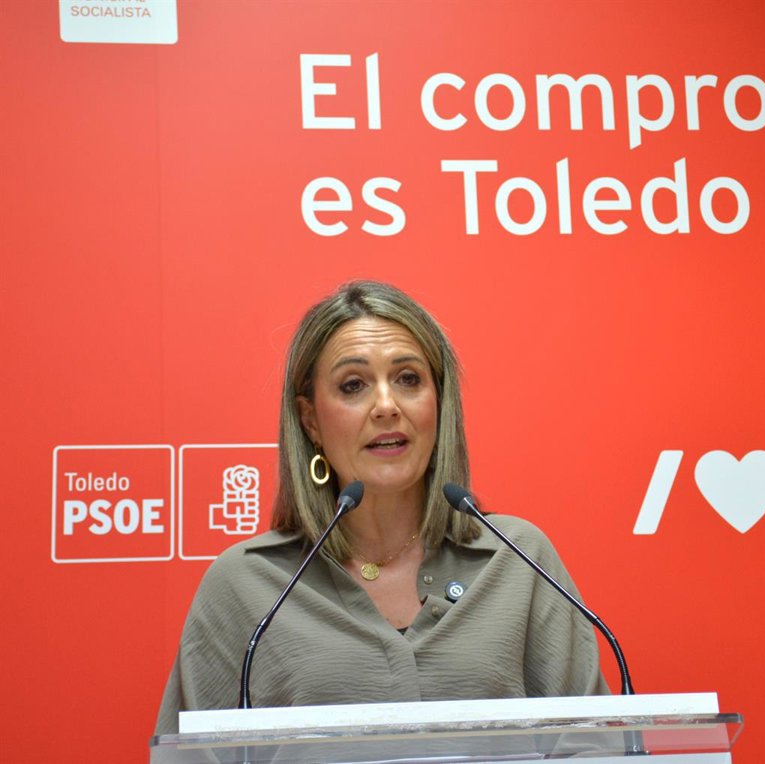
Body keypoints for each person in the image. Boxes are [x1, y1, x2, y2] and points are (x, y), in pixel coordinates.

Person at [155, 281, 609, 736]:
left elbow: (595, 746)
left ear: (439, 403)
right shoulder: (245, 585)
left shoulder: (519, 560)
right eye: (353, 385)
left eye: (408, 379)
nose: (387, 406)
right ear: (311, 420)